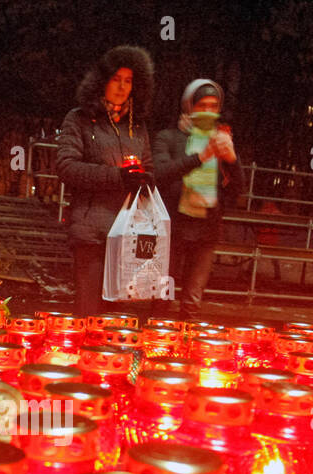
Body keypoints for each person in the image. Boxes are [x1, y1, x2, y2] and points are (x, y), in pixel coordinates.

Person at [56, 45, 155, 318]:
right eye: (116, 79)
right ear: (102, 81)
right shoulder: (78, 119)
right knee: (88, 312)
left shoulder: (137, 126)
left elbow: (149, 167)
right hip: (91, 231)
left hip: (128, 234)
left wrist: (145, 180)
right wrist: (117, 176)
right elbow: (66, 167)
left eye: (128, 81)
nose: (122, 87)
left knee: (117, 318)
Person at [151, 78, 243, 318]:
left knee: (192, 301)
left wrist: (233, 161)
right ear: (188, 106)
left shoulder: (222, 140)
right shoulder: (169, 137)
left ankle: (186, 346)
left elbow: (236, 191)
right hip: (172, 227)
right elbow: (160, 173)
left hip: (206, 230)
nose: (208, 111)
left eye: (214, 106)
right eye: (202, 105)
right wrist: (200, 157)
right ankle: (154, 346)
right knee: (162, 297)